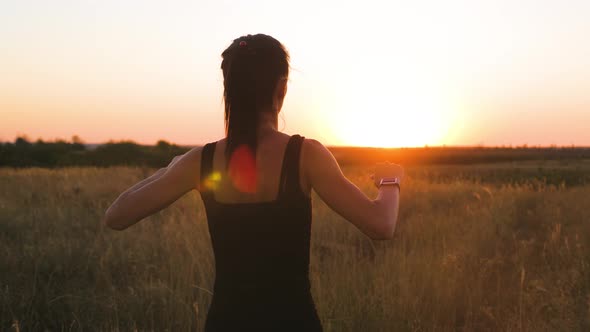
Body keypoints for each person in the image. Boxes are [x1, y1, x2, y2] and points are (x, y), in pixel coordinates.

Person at [103, 33, 404, 332]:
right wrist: (390, 180)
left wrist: (173, 167)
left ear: (228, 88)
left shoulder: (201, 162)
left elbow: (116, 216)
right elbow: (381, 225)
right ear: (282, 88)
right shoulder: (305, 155)